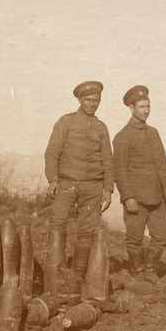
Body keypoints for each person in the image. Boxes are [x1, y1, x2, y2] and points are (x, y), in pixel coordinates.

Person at [44, 80, 113, 284]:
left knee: (87, 230)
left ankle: (78, 275)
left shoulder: (101, 128)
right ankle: (54, 272)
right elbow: (52, 153)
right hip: (67, 183)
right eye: (89, 100)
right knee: (58, 224)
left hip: (93, 186)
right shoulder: (66, 122)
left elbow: (108, 160)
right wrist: (53, 179)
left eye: (96, 101)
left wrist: (108, 190)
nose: (92, 104)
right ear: (80, 100)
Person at [112, 84, 166, 277]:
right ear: (131, 108)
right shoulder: (123, 136)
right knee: (134, 239)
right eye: (141, 107)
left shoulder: (153, 133)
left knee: (162, 236)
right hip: (136, 198)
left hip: (157, 197)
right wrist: (128, 197)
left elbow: (163, 166)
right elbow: (119, 170)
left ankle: (150, 268)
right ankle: (138, 271)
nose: (146, 111)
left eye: (148, 106)